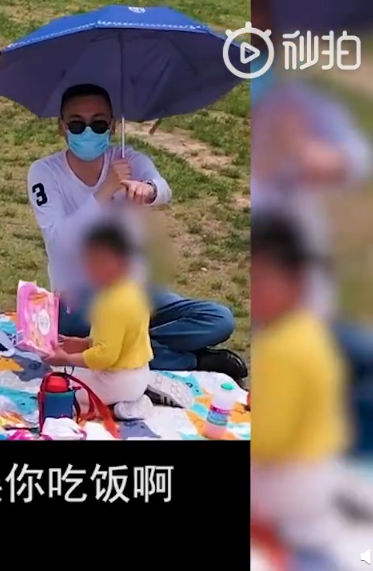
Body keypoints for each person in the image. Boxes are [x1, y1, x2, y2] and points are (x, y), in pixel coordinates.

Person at [26, 83, 247, 386]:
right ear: (61, 127)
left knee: (219, 320)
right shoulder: (44, 172)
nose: (88, 131)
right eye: (77, 124)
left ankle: (121, 347)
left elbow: (163, 188)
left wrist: (148, 190)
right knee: (74, 328)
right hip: (77, 297)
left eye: (98, 123)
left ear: (112, 126)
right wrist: (106, 190)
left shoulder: (126, 159)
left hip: (133, 291)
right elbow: (59, 242)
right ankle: (191, 360)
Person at [251, 0, 373, 455]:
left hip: (296, 286)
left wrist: (312, 156)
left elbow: (356, 159)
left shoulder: (296, 105)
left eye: (265, 27)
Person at [250, 213, 348, 570]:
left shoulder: (280, 346)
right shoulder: (310, 330)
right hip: (320, 468)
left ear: (296, 284)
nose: (254, 293)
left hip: (290, 479)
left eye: (262, 282)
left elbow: (270, 438)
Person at [44, 222, 154, 420]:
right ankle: (136, 394)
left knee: (62, 390)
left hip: (118, 381)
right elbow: (120, 341)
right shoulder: (133, 290)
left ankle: (116, 409)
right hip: (140, 372)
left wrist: (66, 358)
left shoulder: (109, 304)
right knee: (65, 372)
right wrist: (81, 343)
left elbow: (105, 357)